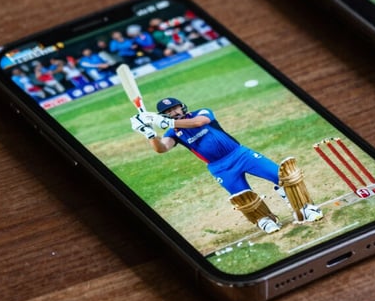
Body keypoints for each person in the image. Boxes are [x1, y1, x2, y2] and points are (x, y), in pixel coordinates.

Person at [131, 97, 323, 233]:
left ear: (182, 107)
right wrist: (149, 133)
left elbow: (199, 122)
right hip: (220, 167)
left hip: (241, 154)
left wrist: (163, 121)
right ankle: (265, 220)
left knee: (281, 176)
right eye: (167, 112)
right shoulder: (172, 133)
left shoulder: (201, 113)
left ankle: (304, 207)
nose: (173, 113)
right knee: (244, 198)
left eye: (174, 109)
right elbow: (161, 149)